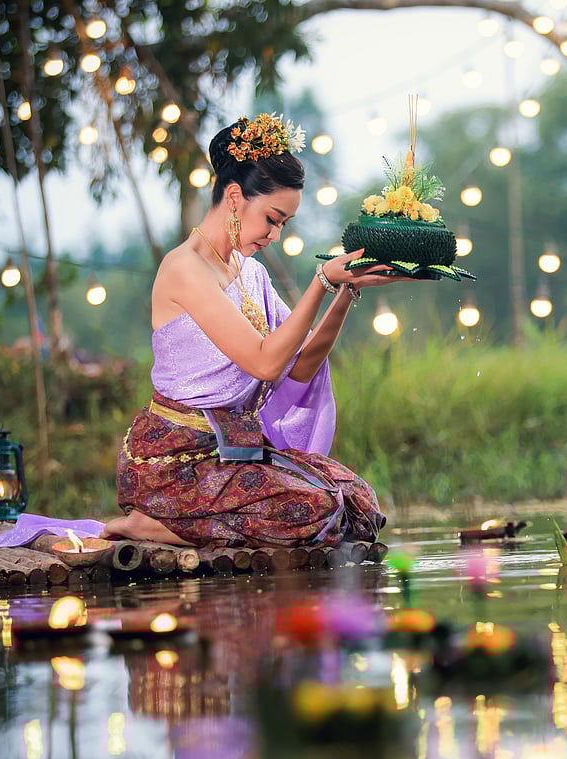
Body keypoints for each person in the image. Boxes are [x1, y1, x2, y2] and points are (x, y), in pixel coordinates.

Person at [103, 112, 405, 550]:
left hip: (234, 452)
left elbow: (297, 368)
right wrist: (321, 281)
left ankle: (190, 527)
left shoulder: (250, 273)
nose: (275, 235)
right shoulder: (185, 268)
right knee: (314, 512)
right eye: (273, 218)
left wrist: (343, 292)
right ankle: (154, 524)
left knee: (355, 502)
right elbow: (265, 363)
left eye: (284, 224)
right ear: (234, 196)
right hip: (172, 463)